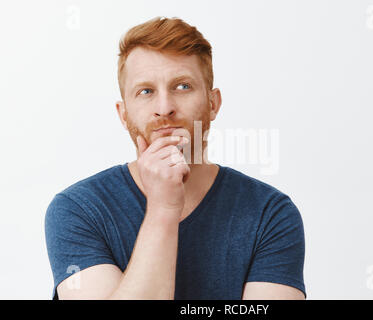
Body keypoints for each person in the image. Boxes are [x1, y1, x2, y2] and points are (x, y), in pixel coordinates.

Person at [45, 16, 306, 300]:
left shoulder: (270, 214)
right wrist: (163, 208)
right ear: (123, 114)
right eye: (146, 91)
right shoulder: (77, 210)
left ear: (213, 103)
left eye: (182, 86)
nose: (165, 108)